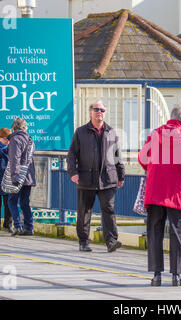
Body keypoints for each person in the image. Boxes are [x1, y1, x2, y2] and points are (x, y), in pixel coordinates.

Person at [138, 104, 181, 287]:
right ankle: (176, 276)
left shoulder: (155, 133)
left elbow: (142, 158)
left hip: (156, 189)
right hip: (178, 191)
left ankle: (156, 275)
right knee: (177, 232)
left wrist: (153, 170)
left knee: (154, 231)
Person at [67, 100, 125, 253]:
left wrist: (121, 175)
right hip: (86, 178)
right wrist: (73, 172)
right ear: (90, 112)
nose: (99, 112)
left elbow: (117, 156)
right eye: (96, 109)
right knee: (84, 211)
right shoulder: (80, 132)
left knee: (108, 209)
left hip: (108, 178)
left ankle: (111, 241)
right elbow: (71, 155)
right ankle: (84, 241)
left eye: (102, 110)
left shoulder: (111, 132)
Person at [7, 117, 36, 236]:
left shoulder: (15, 140)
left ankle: (18, 226)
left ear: (13, 128)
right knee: (24, 202)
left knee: (12, 201)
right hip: (28, 175)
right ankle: (29, 227)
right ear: (25, 127)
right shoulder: (30, 140)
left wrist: (14, 176)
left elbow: (15, 159)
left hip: (18, 175)